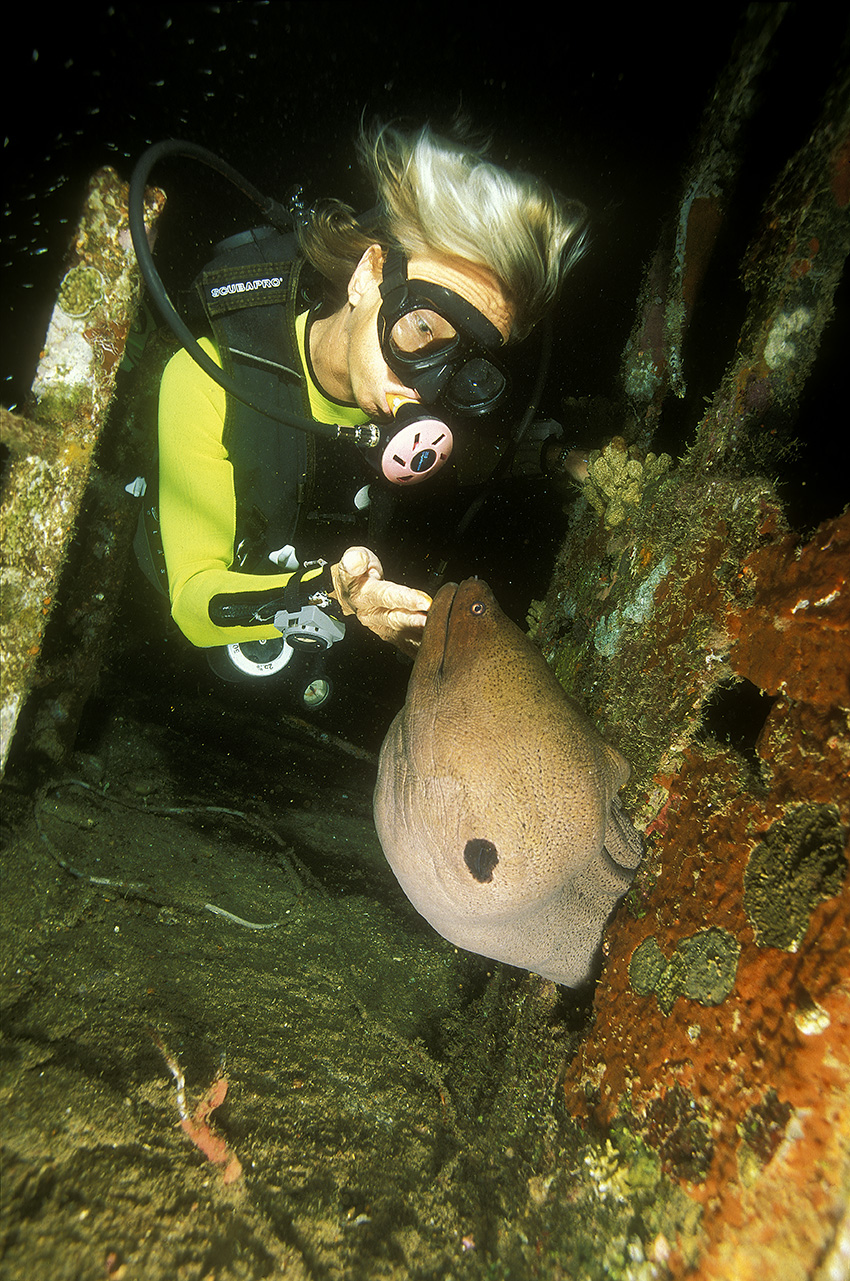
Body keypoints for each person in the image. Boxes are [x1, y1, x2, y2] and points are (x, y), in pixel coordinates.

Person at [146, 121, 587, 684]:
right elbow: (191, 603)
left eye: (467, 368)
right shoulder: (206, 378)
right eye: (423, 326)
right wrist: (335, 598)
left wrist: (559, 458)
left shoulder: (426, 404)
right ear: (366, 276)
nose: (424, 392)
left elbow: (485, 454)